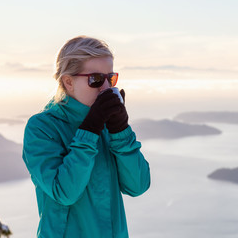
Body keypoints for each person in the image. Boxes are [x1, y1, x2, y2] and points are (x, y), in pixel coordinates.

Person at [22, 36, 151, 238]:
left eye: (111, 78)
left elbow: (138, 186)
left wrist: (120, 130)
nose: (106, 88)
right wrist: (90, 130)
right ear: (68, 82)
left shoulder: (109, 124)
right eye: (96, 79)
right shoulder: (42, 127)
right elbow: (64, 193)